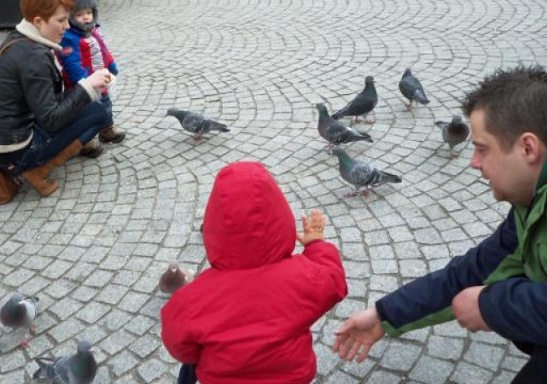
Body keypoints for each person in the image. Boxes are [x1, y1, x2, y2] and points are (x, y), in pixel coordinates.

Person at [334, 65, 547, 383]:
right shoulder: (527, 205)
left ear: (527, 148)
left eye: (481, 149)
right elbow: (473, 270)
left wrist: (493, 305)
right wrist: (385, 313)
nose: (473, 162)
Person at [161, 161, 348, 384]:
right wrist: (316, 245)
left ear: (213, 227)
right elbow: (334, 281)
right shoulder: (305, 275)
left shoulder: (191, 300)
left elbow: (180, 347)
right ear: (281, 216)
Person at [0, 0, 113, 197]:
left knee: (83, 102)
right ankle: (36, 169)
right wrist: (88, 85)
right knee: (100, 111)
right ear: (39, 22)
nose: (67, 25)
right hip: (15, 152)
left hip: (0, 141)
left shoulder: (18, 40)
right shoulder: (33, 58)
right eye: (61, 20)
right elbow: (51, 119)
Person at [56, 0, 125, 158]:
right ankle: (85, 141)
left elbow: (103, 50)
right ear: (70, 18)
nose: (86, 17)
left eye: (88, 13)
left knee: (105, 104)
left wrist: (111, 65)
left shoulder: (93, 30)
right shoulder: (68, 38)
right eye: (79, 15)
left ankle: (106, 130)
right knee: (86, 113)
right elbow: (70, 63)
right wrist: (84, 81)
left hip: (101, 79)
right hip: (82, 85)